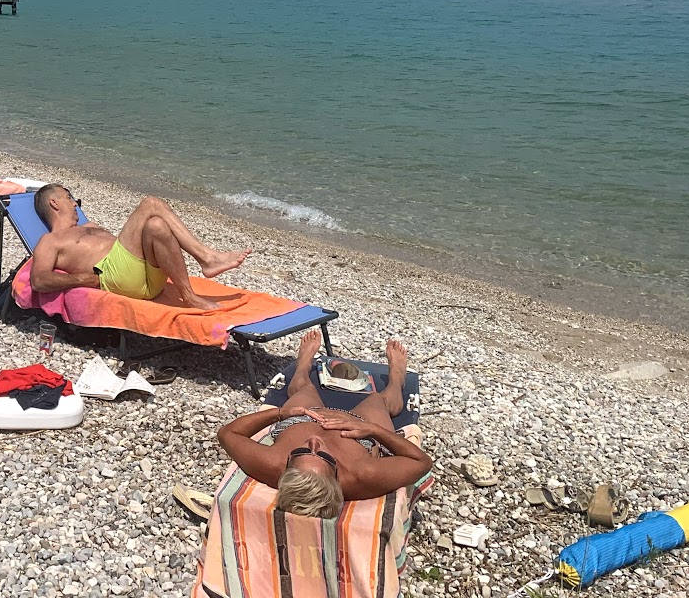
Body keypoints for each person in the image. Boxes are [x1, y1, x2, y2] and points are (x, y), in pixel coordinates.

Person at [215, 331, 431, 516]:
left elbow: (228, 434)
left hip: (303, 417)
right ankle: (397, 379)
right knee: (380, 400)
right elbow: (421, 463)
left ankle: (303, 365)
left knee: (303, 388)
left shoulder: (273, 464)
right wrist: (372, 430)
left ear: (287, 467)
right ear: (337, 475)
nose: (314, 441)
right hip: (361, 429)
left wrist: (280, 413)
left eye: (301, 451)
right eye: (324, 456)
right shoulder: (362, 475)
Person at [27, 185, 250, 311]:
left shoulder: (90, 226)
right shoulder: (51, 240)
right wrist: (84, 279)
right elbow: (39, 280)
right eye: (69, 198)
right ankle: (206, 259)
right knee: (151, 203)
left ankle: (188, 295)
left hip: (147, 278)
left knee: (157, 225)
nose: (75, 203)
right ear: (54, 203)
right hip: (116, 276)